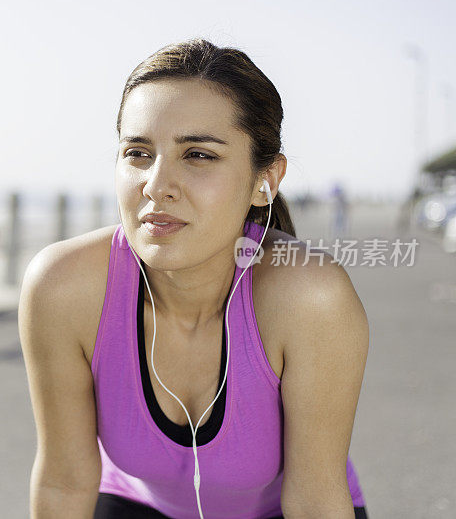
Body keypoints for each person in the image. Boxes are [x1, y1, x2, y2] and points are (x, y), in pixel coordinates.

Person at [19, 38, 369, 518]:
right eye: (138, 153)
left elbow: (313, 500)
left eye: (199, 155)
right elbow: (64, 480)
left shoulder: (308, 296)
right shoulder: (63, 286)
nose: (157, 185)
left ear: (265, 180)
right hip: (135, 505)